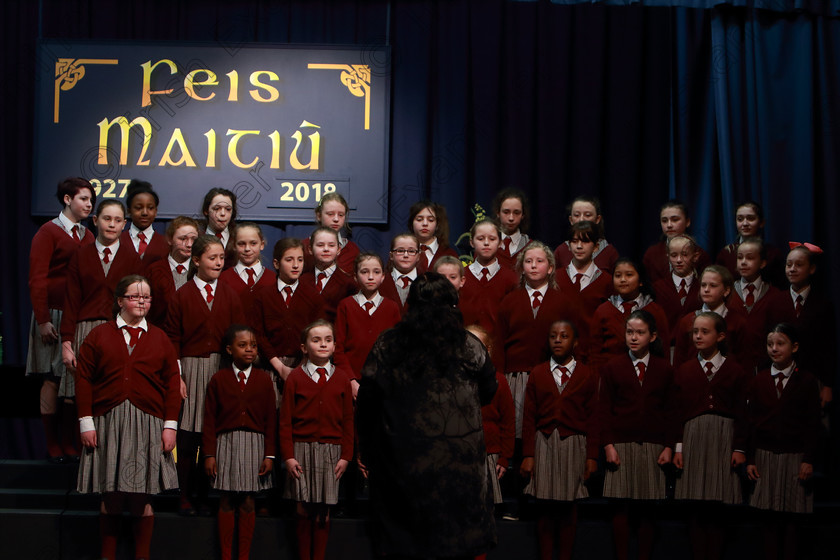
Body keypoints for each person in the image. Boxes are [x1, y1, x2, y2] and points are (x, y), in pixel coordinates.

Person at [357, 273, 498, 558]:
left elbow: (367, 402)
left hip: (403, 467)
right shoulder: (470, 346)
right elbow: (489, 390)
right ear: (452, 305)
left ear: (411, 304)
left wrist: (369, 451)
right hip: (460, 471)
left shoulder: (388, 344)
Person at [75, 274, 180, 560]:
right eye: (134, 296)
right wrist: (86, 422)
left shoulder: (159, 338)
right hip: (109, 421)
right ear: (120, 301)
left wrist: (170, 427)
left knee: (141, 495)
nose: (141, 301)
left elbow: (172, 384)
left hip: (148, 423)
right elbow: (83, 379)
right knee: (111, 495)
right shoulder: (99, 335)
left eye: (146, 297)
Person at [164, 234, 246, 515]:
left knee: (213, 437)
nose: (219, 263)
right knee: (188, 439)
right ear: (196, 260)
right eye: (213, 258)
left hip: (220, 369)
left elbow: (238, 335)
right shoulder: (182, 295)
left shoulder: (230, 294)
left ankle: (206, 493)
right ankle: (184, 494)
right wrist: (178, 376)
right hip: (190, 369)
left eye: (222, 258)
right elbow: (172, 338)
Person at [27, 177, 95, 462]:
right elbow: (37, 279)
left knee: (71, 381)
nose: (89, 204)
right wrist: (43, 320)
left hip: (76, 316)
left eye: (91, 200)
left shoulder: (88, 235)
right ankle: (52, 443)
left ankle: (70, 442)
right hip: (52, 314)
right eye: (83, 199)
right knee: (51, 379)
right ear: (67, 199)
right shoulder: (48, 232)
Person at [598, 310, 675, 560]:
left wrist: (668, 446)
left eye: (640, 333)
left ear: (652, 336)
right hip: (621, 444)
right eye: (630, 332)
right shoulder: (613, 367)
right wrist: (608, 444)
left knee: (647, 510)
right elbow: (604, 409)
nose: (634, 337)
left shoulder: (664, 368)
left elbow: (670, 410)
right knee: (621, 507)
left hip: (653, 446)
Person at [673, 312, 749, 560]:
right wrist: (679, 447)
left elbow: (742, 413)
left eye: (705, 332)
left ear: (720, 336)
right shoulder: (685, 370)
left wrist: (739, 448)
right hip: (693, 437)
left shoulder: (735, 370)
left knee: (717, 505)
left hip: (723, 439)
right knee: (696, 504)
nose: (698, 336)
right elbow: (677, 412)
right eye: (695, 332)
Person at [521, 320, 598, 560]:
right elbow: (529, 417)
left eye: (564, 336)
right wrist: (528, 454)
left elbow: (594, 417)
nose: (557, 340)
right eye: (553, 336)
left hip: (574, 443)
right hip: (544, 442)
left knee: (568, 507)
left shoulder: (587, 374)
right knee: (544, 506)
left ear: (575, 342)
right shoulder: (538, 372)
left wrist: (592, 456)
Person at [61, 200, 142, 423]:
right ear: (95, 221)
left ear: (125, 224)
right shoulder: (80, 255)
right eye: (107, 219)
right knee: (82, 393)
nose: (112, 224)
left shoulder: (132, 258)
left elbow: (137, 303)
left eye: (117, 220)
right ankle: (81, 452)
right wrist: (67, 342)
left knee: (113, 392)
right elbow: (71, 300)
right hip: (84, 331)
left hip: (118, 331)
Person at [280, 320, 354, 560]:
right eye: (316, 340)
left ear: (334, 345)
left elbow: (347, 420)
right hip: (301, 450)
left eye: (328, 340)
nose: (323, 344)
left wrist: (346, 456)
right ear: (304, 347)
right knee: (303, 506)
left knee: (324, 509)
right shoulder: (295, 378)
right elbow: (285, 421)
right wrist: (289, 456)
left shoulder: (342, 377)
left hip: (332, 451)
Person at [747, 323, 822, 560]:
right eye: (770, 344)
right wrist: (750, 458)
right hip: (765, 455)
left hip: (794, 456)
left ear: (795, 347)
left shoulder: (807, 381)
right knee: (768, 519)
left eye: (780, 344)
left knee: (791, 520)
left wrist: (808, 459)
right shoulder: (759, 380)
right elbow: (751, 422)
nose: (774, 349)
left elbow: (813, 424)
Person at [203, 325, 276, 560]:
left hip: (254, 443)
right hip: (227, 443)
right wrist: (209, 454)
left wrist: (270, 454)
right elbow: (210, 420)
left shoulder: (264, 380)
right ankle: (226, 555)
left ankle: (243, 556)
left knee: (247, 500)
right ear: (229, 349)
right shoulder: (218, 379)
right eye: (242, 345)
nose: (249, 350)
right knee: (226, 499)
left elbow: (271, 420)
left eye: (253, 346)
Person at [251, 238, 326, 390]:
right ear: (276, 264)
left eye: (300, 259)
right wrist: (279, 367)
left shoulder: (312, 296)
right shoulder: (263, 296)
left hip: (304, 365)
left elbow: (316, 333)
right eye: (289, 260)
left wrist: (300, 365)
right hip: (270, 365)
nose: (296, 265)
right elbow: (259, 334)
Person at [767, 243, 835, 409]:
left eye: (799, 265)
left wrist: (828, 385)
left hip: (813, 378)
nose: (792, 269)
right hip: (780, 376)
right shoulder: (775, 301)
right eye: (789, 265)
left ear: (811, 269)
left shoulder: (823, 304)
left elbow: (829, 348)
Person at [333, 253, 401, 398]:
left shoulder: (391, 307)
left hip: (383, 383)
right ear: (356, 277)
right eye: (364, 272)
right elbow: (338, 348)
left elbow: (397, 349)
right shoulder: (345, 306)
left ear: (383, 276)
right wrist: (350, 380)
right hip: (351, 381)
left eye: (376, 272)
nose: (370, 277)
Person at [467, 324, 515, 523]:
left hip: (490, 454)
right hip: (464, 453)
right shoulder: (455, 381)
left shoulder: (499, 381)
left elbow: (508, 422)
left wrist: (504, 458)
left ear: (488, 350)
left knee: (486, 510)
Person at [589, 258, 669, 372]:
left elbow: (663, 351)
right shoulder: (603, 311)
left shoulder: (655, 310)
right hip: (611, 377)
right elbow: (594, 354)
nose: (622, 279)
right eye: (618, 275)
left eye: (629, 275)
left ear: (640, 281)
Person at [673, 265, 748, 370]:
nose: (706, 290)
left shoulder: (738, 322)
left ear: (726, 291)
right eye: (703, 285)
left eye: (713, 285)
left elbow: (744, 362)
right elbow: (679, 362)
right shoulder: (687, 321)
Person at [726, 237, 780, 374]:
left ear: (762, 263)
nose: (743, 262)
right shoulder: (726, 293)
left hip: (765, 369)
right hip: (733, 369)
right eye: (740, 258)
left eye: (750, 258)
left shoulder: (775, 296)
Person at [460, 219, 518, 339]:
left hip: (498, 346)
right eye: (480, 239)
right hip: (465, 345)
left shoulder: (511, 278)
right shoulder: (461, 276)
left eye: (492, 239)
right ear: (471, 242)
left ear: (500, 243)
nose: (486, 243)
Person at [651, 234, 702, 354]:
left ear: (695, 256)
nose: (679, 260)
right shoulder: (658, 288)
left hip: (696, 351)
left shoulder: (702, 287)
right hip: (666, 350)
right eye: (674, 255)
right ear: (668, 257)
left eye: (684, 255)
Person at [716, 201, 784, 289]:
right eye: (740, 219)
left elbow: (780, 286)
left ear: (761, 222)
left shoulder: (772, 253)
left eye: (751, 218)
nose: (745, 224)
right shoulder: (726, 253)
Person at [145, 216, 199, 327]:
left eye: (194, 239)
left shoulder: (201, 270)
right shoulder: (154, 270)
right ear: (170, 239)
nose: (189, 244)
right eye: (183, 239)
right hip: (161, 335)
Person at [555, 220, 613, 320]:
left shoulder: (606, 281)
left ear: (596, 247)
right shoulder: (556, 278)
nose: (579, 246)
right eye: (574, 241)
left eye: (585, 241)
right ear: (568, 245)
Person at [642, 200, 710, 285]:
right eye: (664, 220)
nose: (669, 225)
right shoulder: (652, 254)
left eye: (675, 220)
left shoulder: (700, 254)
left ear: (687, 222)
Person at [301, 227, 358, 322]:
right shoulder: (301, 281)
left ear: (339, 249)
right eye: (320, 245)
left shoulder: (349, 284)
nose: (326, 249)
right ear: (310, 249)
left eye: (331, 245)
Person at [219, 222, 274, 317]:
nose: (247, 249)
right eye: (241, 244)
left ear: (262, 245)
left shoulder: (273, 279)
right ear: (234, 246)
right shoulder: (223, 279)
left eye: (253, 243)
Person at [554, 196, 619, 273]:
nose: (581, 219)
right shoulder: (561, 251)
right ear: (571, 220)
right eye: (577, 215)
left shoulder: (609, 252)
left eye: (587, 215)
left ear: (597, 219)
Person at [301, 192, 360, 275]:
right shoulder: (303, 247)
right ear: (319, 215)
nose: (336, 219)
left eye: (341, 215)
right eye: (330, 214)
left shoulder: (352, 250)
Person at [120, 179, 168, 269]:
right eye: (138, 208)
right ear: (129, 211)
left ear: (156, 211)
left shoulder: (165, 244)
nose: (145, 213)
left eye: (150, 208)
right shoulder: (118, 240)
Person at [408, 201, 458, 274]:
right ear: (411, 223)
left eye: (430, 220)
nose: (425, 223)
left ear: (437, 224)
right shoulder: (401, 252)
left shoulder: (449, 254)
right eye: (419, 219)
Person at [379, 233, 421, 315]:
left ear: (418, 256)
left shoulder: (426, 282)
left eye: (411, 251)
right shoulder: (381, 281)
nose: (406, 255)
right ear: (391, 255)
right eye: (400, 251)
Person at [493, 188, 533, 271]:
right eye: (506, 212)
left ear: (523, 215)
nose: (511, 218)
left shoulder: (531, 247)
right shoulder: (487, 246)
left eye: (516, 213)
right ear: (498, 213)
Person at [200, 188, 238, 269]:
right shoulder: (196, 237)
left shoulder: (239, 238)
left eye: (228, 209)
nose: (223, 213)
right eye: (217, 209)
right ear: (206, 211)